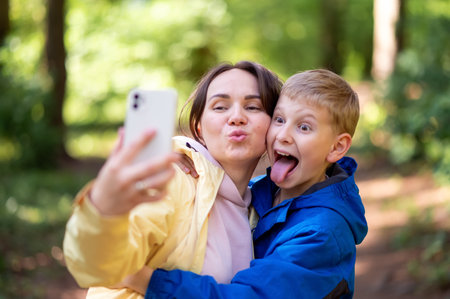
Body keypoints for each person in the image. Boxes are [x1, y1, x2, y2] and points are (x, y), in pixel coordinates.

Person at [125, 69, 368, 298]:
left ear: (337, 147)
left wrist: (147, 282)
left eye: (304, 127)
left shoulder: (321, 232)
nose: (283, 135)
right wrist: (173, 153)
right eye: (280, 119)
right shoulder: (259, 192)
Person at [62, 61, 282, 298]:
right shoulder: (174, 180)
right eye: (220, 107)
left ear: (274, 125)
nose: (237, 117)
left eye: (253, 107)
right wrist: (103, 209)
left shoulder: (263, 207)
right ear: (198, 127)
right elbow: (98, 265)